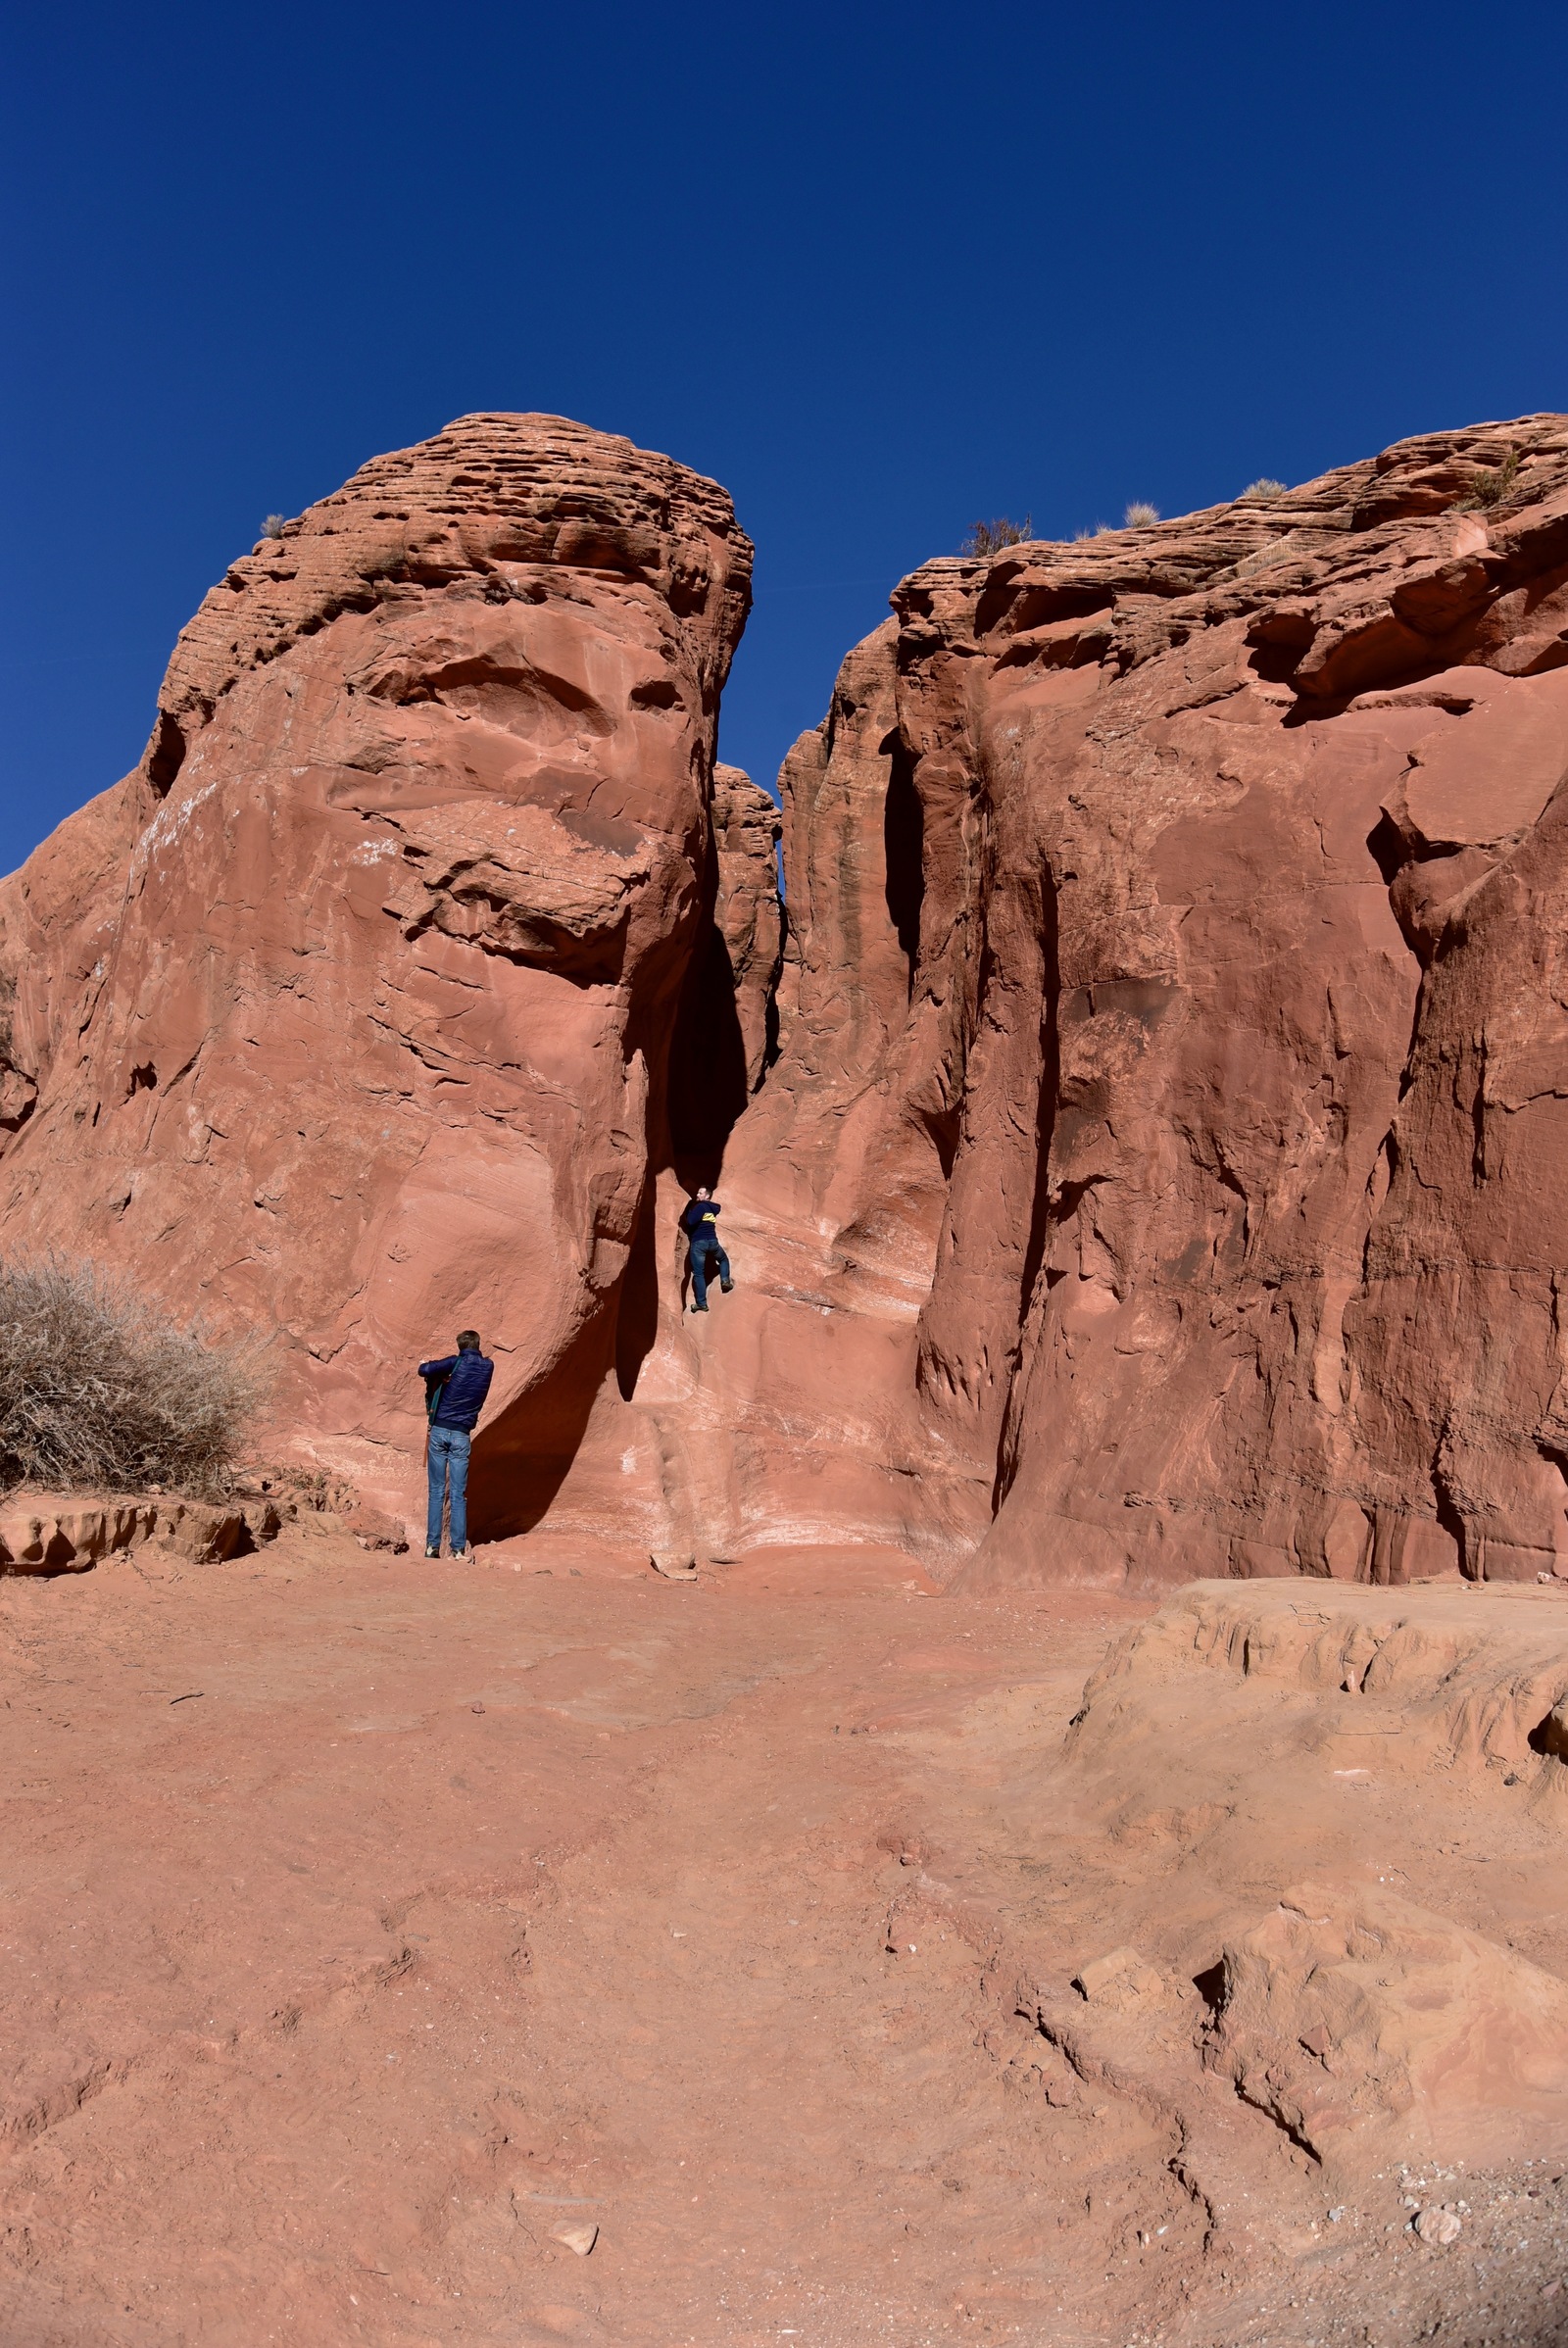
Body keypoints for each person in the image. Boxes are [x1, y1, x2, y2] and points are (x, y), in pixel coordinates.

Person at [417, 1329, 494, 1559]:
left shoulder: (454, 1363)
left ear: (460, 1346)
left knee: (437, 1492)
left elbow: (424, 1370)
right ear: (478, 1345)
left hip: (440, 1430)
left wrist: (430, 1366)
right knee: (459, 1493)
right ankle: (458, 1548)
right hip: (462, 1435)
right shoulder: (488, 1366)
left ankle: (432, 1547)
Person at [679, 1186, 734, 1312]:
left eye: (700, 1193)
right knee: (723, 1259)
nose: (697, 1194)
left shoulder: (701, 1207)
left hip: (699, 1243)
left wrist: (688, 1210)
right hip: (712, 1242)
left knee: (698, 1274)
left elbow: (691, 1222)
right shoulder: (712, 1208)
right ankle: (725, 1281)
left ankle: (701, 1304)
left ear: (707, 1196)